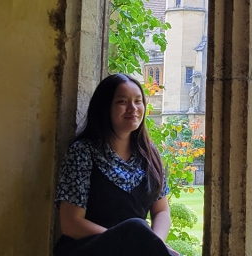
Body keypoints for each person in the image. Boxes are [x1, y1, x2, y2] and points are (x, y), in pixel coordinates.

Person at [54, 74, 179, 256]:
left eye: (138, 101)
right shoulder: (82, 153)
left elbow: (161, 211)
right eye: (122, 101)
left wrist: (154, 244)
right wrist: (133, 244)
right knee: (136, 225)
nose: (133, 108)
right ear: (104, 107)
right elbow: (71, 224)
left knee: (138, 228)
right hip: (89, 248)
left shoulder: (149, 153)